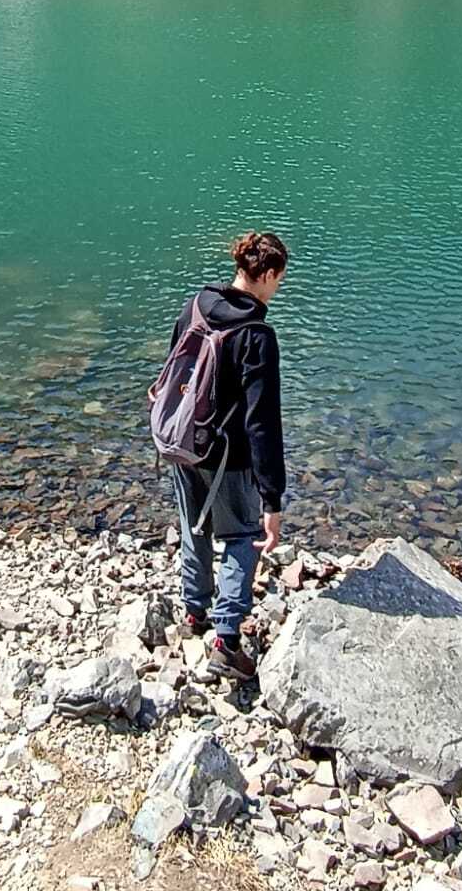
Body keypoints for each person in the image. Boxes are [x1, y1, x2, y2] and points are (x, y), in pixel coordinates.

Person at [167, 230, 288, 682]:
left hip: (182, 440)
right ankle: (226, 639)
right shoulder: (258, 335)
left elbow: (173, 369)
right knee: (244, 536)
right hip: (227, 457)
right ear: (268, 274)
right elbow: (262, 424)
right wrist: (272, 499)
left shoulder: (197, 303)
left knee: (192, 525)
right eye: (278, 281)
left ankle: (194, 613)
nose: (277, 291)